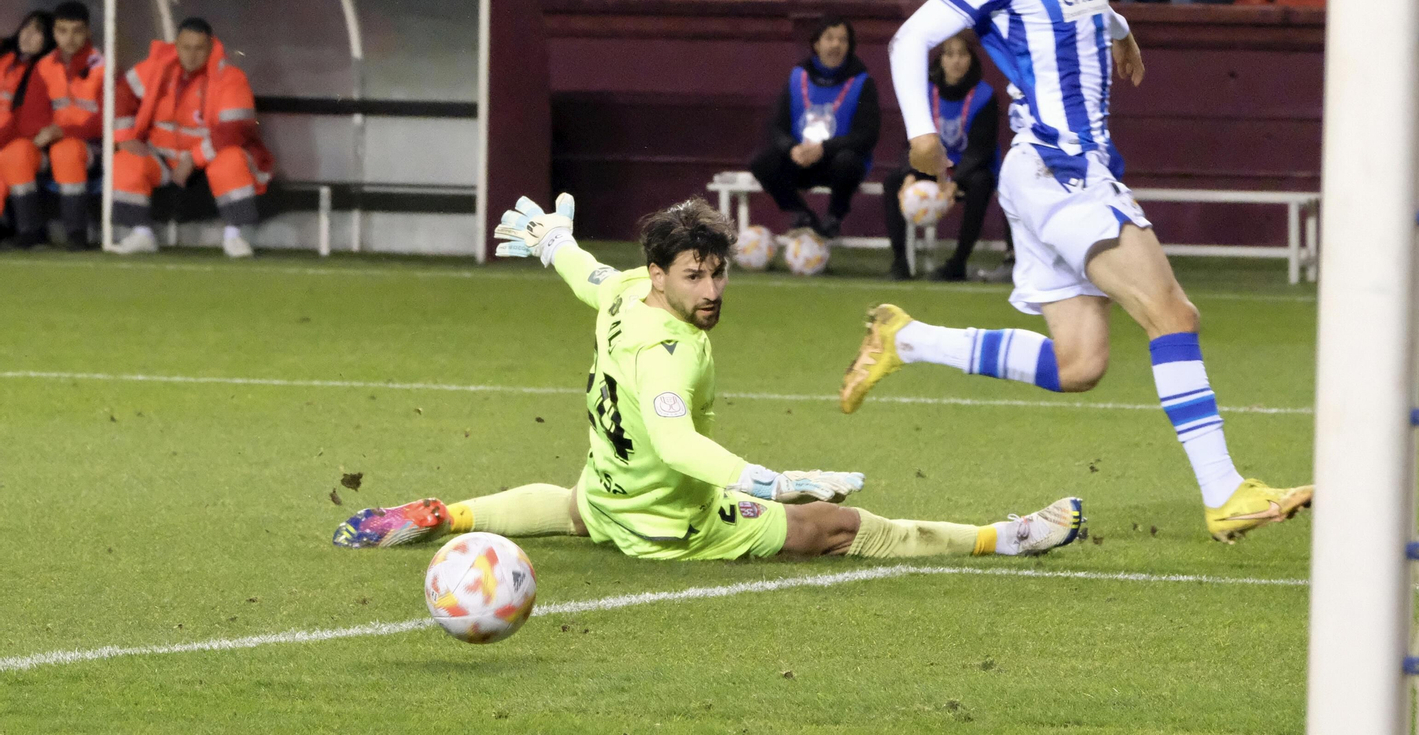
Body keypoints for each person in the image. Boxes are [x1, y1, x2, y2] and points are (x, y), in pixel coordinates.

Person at [848, 0, 1314, 543]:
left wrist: (1119, 27)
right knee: (1173, 314)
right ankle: (1225, 492)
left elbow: (1080, 1)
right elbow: (911, 37)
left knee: (1080, 363)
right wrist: (921, 133)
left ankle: (907, 342)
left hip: (1045, 176)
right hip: (1060, 170)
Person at [332, 196, 1084, 561]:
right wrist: (774, 483)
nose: (712, 291)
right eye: (695, 276)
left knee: (571, 506)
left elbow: (588, 274)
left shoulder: (627, 288)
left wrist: (550, 242)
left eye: (718, 273)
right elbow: (677, 440)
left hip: (610, 491)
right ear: (662, 276)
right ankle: (1004, 538)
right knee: (838, 528)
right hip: (669, 524)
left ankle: (449, 515)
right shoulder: (672, 350)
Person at [109, 17, 273, 258]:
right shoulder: (157, 68)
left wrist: (192, 159)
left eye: (199, 48)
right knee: (125, 160)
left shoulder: (230, 78)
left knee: (231, 159)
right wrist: (124, 136)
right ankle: (140, 233)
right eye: (185, 47)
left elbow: (234, 130)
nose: (191, 55)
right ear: (176, 45)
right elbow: (122, 92)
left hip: (206, 162)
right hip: (162, 158)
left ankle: (235, 236)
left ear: (211, 47)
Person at [749, 16, 880, 239]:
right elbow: (776, 127)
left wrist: (824, 148)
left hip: (837, 163)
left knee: (847, 162)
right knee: (762, 162)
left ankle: (833, 218)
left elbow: (866, 136)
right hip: (801, 160)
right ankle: (801, 213)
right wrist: (792, 148)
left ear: (849, 46)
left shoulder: (862, 82)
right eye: (829, 38)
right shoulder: (797, 77)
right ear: (816, 44)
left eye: (842, 40)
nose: (836, 45)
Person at [883, 32, 998, 281]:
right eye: (950, 54)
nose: (956, 61)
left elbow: (980, 149)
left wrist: (954, 182)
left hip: (968, 167)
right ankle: (900, 261)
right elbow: (913, 141)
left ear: (971, 60)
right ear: (941, 61)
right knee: (894, 182)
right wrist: (909, 175)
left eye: (962, 54)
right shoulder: (924, 93)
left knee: (981, 183)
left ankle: (958, 262)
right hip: (933, 164)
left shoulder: (984, 96)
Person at [33, 2, 104, 249]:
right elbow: (32, 115)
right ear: (54, 32)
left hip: (94, 148)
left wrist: (63, 132)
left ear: (88, 32)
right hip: (51, 144)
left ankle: (76, 234)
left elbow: (106, 119)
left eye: (76, 30)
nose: (69, 38)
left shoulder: (102, 66)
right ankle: (28, 234)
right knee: (15, 155)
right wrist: (43, 135)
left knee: (68, 151)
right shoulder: (44, 66)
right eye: (62, 30)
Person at [0, 11, 57, 249]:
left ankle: (29, 231)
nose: (28, 35)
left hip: (27, 145)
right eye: (27, 27)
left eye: (38, 32)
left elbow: (24, 123)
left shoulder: (44, 70)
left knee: (12, 155)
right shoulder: (4, 56)